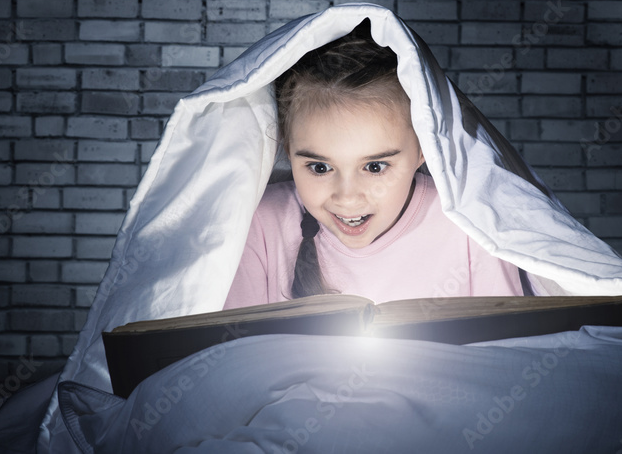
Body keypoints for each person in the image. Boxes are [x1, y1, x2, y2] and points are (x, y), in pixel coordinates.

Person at [224, 20, 526, 309]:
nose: (348, 198)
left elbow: (506, 349)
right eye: (319, 168)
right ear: (289, 151)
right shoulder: (259, 224)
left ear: (425, 148)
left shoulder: (471, 227)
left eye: (375, 167)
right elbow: (230, 353)